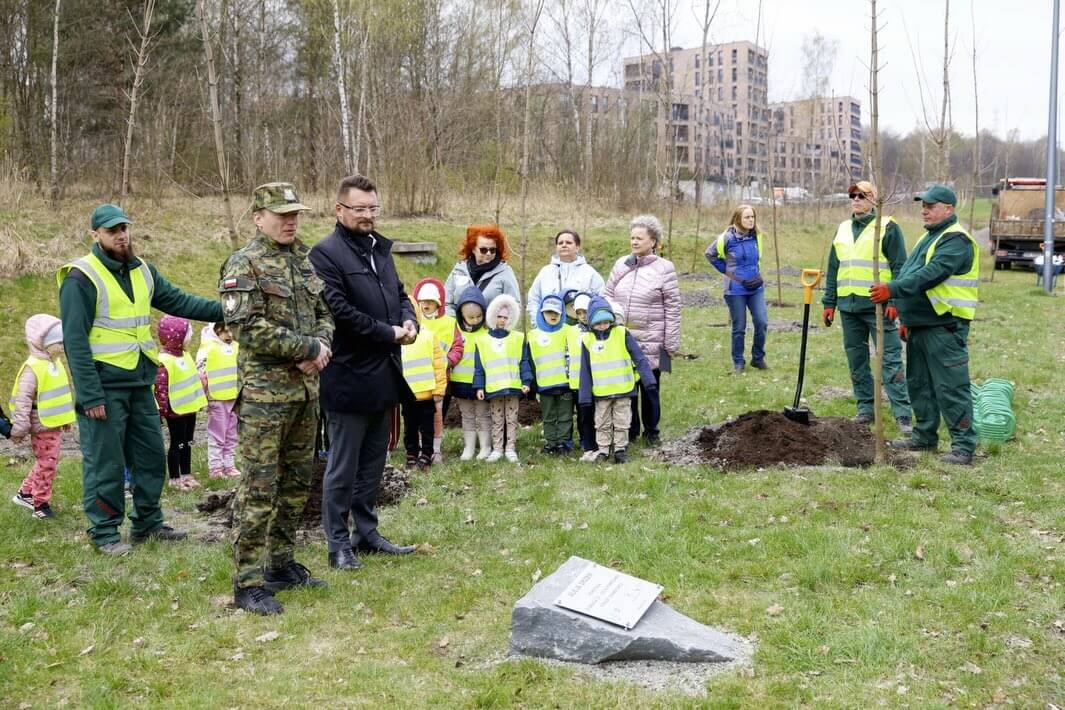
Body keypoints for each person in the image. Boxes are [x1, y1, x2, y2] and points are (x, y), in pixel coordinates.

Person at [59, 203, 223, 556]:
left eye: (124, 228)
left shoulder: (142, 271)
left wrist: (227, 309)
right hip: (103, 388)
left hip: (139, 382)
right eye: (112, 231)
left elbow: (179, 301)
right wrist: (90, 395)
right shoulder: (81, 278)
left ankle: (147, 524)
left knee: (150, 457)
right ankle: (104, 532)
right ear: (95, 235)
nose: (121, 236)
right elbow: (74, 341)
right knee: (106, 464)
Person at [219, 182, 334, 615]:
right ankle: (247, 582)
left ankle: (280, 565)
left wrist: (321, 346)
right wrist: (305, 348)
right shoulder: (244, 263)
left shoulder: (303, 259)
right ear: (258, 217)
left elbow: (324, 313)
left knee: (296, 484)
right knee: (259, 488)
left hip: (305, 392)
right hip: (265, 398)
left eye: (295, 214)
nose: (291, 222)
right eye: (282, 215)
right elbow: (245, 327)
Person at [307, 174, 418, 575]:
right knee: (342, 467)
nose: (367, 215)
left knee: (373, 463)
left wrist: (409, 320)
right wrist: (389, 333)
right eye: (359, 209)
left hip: (384, 376)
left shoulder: (379, 249)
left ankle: (366, 534)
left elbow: (400, 294)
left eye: (373, 208)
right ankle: (337, 543)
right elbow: (339, 312)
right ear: (339, 210)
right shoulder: (325, 255)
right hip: (348, 378)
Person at [870, 184, 980, 466]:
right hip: (921, 325)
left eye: (930, 206)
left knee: (951, 386)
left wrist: (892, 289)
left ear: (948, 209)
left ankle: (963, 446)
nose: (924, 211)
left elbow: (932, 274)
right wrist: (907, 317)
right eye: (923, 206)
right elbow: (910, 271)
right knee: (919, 384)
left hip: (945, 325)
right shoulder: (929, 237)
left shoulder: (956, 240)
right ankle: (924, 436)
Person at [822, 181, 912, 433]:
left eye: (862, 195)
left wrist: (895, 300)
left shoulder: (888, 227)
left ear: (873, 199)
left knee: (890, 359)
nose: (856, 199)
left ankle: (902, 414)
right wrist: (829, 302)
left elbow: (900, 267)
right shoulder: (842, 229)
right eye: (852, 195)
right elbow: (833, 268)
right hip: (848, 307)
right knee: (857, 361)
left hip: (877, 307)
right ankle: (865, 408)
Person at [604, 215, 680, 446]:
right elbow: (607, 295)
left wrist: (670, 344)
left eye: (640, 238)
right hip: (623, 339)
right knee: (627, 388)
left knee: (650, 387)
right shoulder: (622, 264)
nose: (634, 242)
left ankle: (652, 431)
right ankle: (630, 430)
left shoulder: (665, 268)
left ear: (653, 241)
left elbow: (673, 307)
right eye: (632, 238)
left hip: (653, 340)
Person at [9, 314, 74, 519]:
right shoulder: (33, 368)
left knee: (45, 460)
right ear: (44, 343)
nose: (62, 347)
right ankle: (40, 504)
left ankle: (25, 494)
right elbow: (23, 400)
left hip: (52, 424)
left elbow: (58, 395)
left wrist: (64, 419)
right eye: (58, 343)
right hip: (41, 425)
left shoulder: (54, 363)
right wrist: (19, 428)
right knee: (48, 463)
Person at [578, 296, 656, 464]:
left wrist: (648, 379)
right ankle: (603, 450)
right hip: (601, 393)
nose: (602, 326)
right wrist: (584, 396)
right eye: (598, 323)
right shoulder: (587, 340)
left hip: (623, 390)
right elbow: (585, 370)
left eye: (605, 322)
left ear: (611, 320)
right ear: (591, 323)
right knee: (601, 423)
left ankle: (620, 449)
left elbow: (639, 357)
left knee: (622, 421)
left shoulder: (622, 333)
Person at [707, 205, 768, 373]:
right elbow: (710, 254)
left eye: (752, 217)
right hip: (735, 289)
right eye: (747, 217)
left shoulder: (756, 236)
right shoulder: (727, 238)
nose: (751, 220)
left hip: (755, 287)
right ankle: (738, 362)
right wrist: (727, 272)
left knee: (762, 322)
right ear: (738, 219)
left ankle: (758, 358)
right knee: (739, 327)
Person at [473, 294, 532, 463]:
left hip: (513, 387)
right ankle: (498, 448)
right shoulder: (483, 340)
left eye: (506, 317)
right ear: (493, 316)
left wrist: (526, 381)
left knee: (511, 419)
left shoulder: (518, 338)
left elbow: (524, 361)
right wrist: (479, 387)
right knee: (497, 420)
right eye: (499, 316)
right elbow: (479, 366)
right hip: (494, 388)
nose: (502, 320)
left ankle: (510, 448)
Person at [411, 278, 463, 463]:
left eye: (430, 301)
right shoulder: (412, 323)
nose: (426, 305)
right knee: (417, 416)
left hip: (439, 379)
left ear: (438, 304)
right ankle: (419, 447)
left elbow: (458, 347)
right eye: (423, 301)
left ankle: (435, 449)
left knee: (437, 415)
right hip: (417, 380)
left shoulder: (449, 324)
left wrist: (448, 362)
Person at [154, 316, 206, 491]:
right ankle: (175, 478)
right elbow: (161, 389)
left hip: (190, 408)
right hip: (175, 411)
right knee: (177, 444)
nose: (189, 339)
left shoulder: (186, 355)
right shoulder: (164, 360)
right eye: (186, 336)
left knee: (188, 442)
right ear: (175, 337)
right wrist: (161, 411)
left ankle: (186, 474)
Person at [400, 310, 447, 471]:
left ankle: (427, 454)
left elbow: (439, 365)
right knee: (409, 428)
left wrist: (439, 390)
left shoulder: (429, 336)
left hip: (427, 394)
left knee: (427, 428)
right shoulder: (399, 339)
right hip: (407, 395)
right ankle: (411, 454)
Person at [525, 229, 605, 324]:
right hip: (549, 328)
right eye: (560, 243)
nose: (564, 245)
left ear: (577, 247)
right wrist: (538, 323)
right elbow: (533, 299)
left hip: (580, 329)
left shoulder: (589, 272)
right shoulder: (545, 272)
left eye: (568, 242)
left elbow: (601, 300)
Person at [525, 294, 571, 454]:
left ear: (562, 313)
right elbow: (530, 361)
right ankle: (551, 443)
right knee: (548, 416)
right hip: (544, 385)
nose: (553, 315)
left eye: (556, 312)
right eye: (548, 312)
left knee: (565, 416)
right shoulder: (533, 335)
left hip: (566, 384)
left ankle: (563, 443)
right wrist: (532, 385)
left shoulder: (569, 331)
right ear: (541, 313)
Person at [444, 224, 521, 318]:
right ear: (473, 249)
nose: (488, 253)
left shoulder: (505, 273)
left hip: (491, 326)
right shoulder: (459, 270)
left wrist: (494, 323)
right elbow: (446, 302)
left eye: (492, 250)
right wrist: (459, 321)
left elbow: (514, 306)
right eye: (483, 250)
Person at [450, 286, 491, 460]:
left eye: (479, 316)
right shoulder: (455, 331)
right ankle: (469, 447)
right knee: (466, 415)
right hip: (460, 381)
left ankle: (485, 446)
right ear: (462, 315)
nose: (475, 320)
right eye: (471, 317)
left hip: (481, 383)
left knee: (483, 414)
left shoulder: (487, 332)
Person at [195, 322, 241, 479]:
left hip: (233, 397)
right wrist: (204, 395)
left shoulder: (235, 346)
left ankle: (229, 464)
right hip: (216, 398)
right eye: (225, 331)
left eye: (231, 331)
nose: (229, 335)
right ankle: (215, 467)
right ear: (216, 331)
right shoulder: (208, 347)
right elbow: (201, 372)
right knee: (217, 434)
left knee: (231, 433)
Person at [568, 292, 596, 457]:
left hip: (597, 379)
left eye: (585, 312)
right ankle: (586, 441)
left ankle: (599, 440)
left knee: (598, 412)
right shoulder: (572, 331)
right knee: (583, 413)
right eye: (579, 313)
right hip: (578, 380)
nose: (583, 316)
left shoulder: (598, 329)